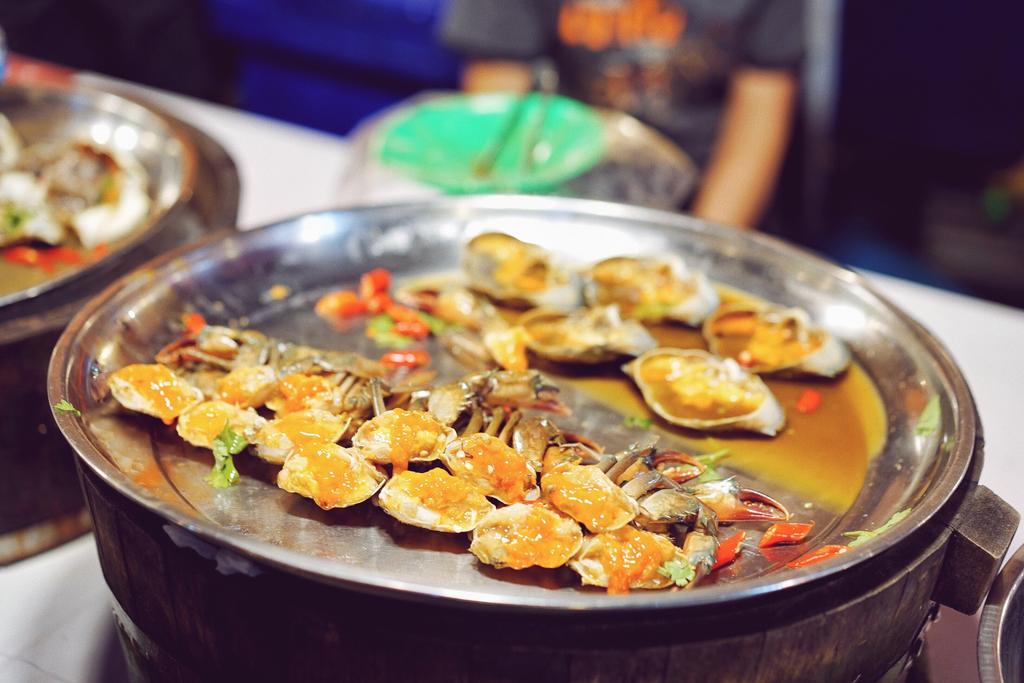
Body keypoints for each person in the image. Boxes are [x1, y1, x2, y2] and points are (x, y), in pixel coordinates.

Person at [440, 0, 803, 229]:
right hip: (559, 193)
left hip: (704, 195)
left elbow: (759, 119)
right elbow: (497, 115)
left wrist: (699, 250)